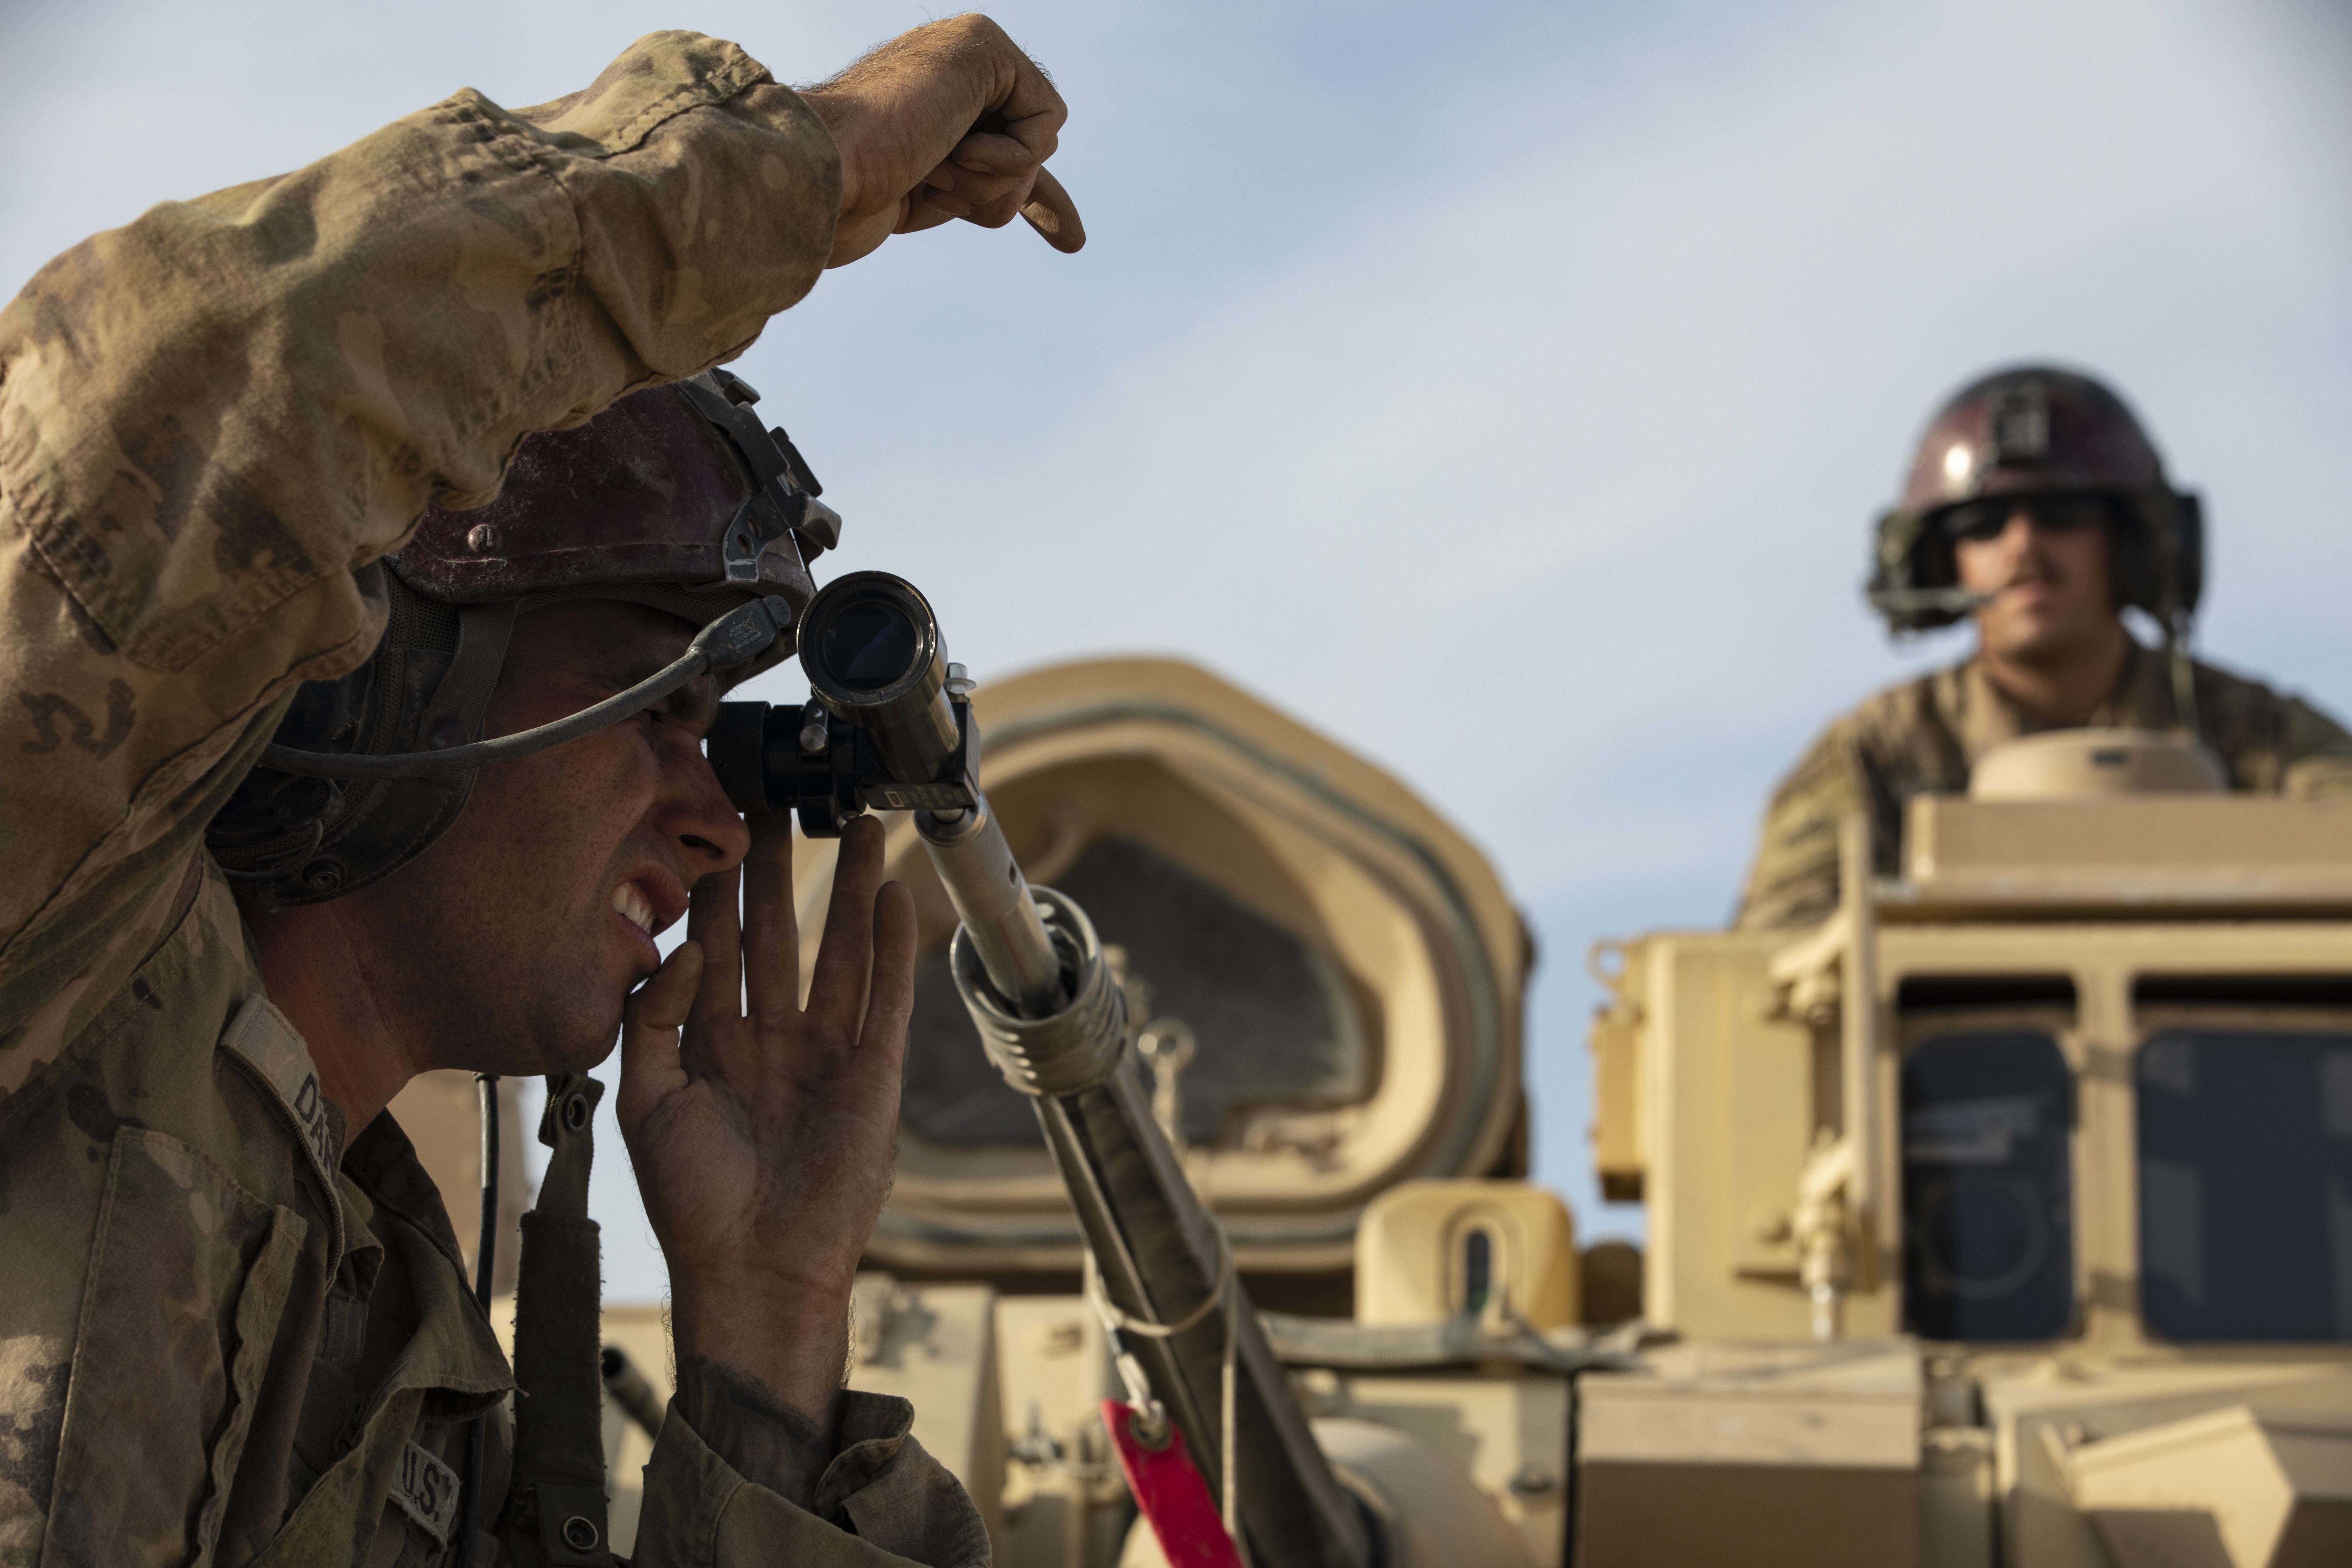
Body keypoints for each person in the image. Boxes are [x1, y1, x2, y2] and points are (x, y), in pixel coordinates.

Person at [0, 17, 1080, 1566]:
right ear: (394, 668)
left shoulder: (435, 1401)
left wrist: (770, 1332)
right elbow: (209, 389)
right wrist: (784, 169)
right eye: (655, 699)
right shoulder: (56, 932)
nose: (716, 825)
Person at [1736, 365, 2352, 931]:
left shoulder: (2257, 738)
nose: (2024, 547)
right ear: (1941, 562)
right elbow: (1776, 960)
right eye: (1983, 524)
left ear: (2132, 547)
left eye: (2062, 513)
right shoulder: (1878, 756)